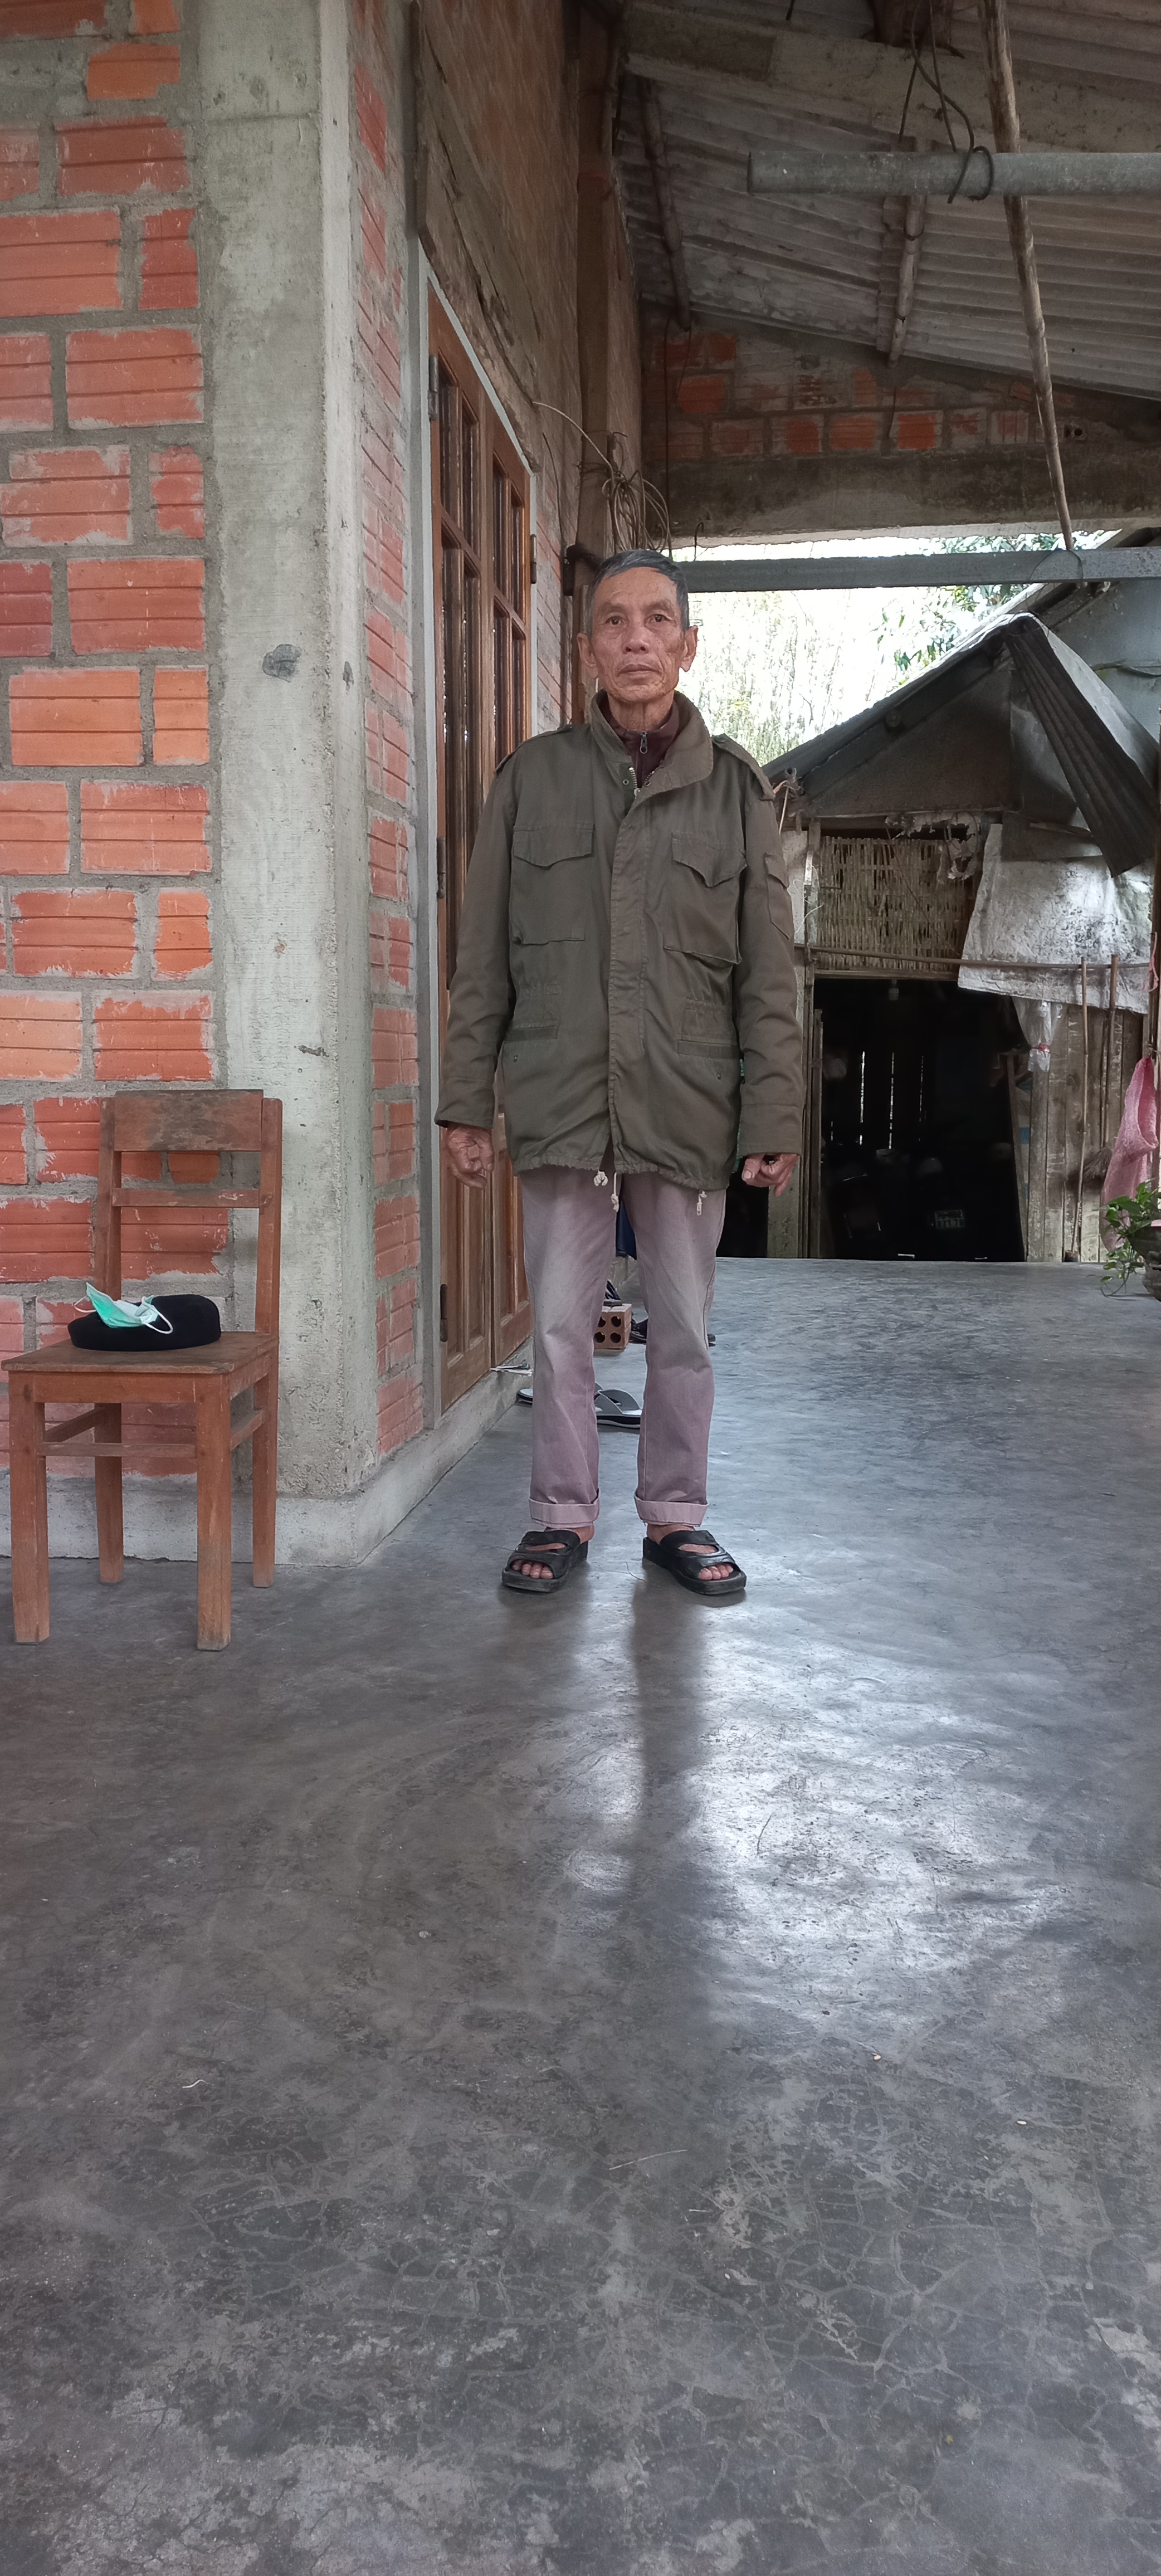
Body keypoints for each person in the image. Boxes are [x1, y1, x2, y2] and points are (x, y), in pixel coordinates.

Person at [436, 547, 801, 1601]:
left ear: (688, 646)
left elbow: (769, 973)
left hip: (689, 1102)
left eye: (656, 621)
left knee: (682, 1330)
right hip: (561, 1096)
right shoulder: (533, 779)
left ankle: (676, 1516)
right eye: (613, 621)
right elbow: (483, 956)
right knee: (559, 1329)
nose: (636, 639)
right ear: (587, 647)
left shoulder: (734, 792)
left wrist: (773, 1113)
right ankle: (561, 1516)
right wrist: (466, 1102)